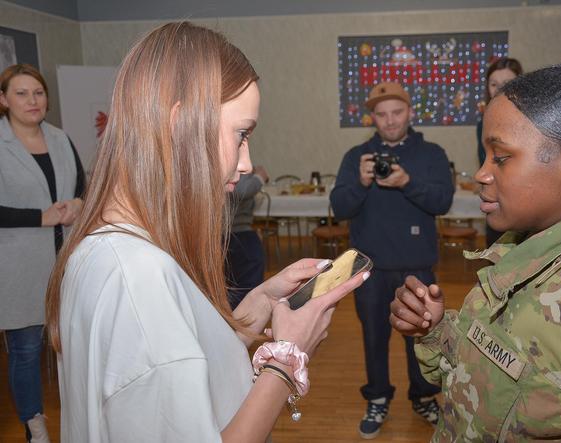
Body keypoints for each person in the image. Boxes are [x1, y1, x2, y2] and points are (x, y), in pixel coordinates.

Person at [45, 22, 368, 443]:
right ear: (180, 125)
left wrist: (259, 303)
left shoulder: (109, 246)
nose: (247, 162)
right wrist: (287, 359)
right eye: (242, 134)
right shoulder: (140, 277)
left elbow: (179, 362)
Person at [390, 60, 561, 441]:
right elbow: (500, 371)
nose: (483, 174)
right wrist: (435, 330)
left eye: (500, 158)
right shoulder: (523, 250)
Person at [330, 81, 455, 439]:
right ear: (372, 118)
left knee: (419, 337)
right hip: (368, 268)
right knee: (373, 337)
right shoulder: (357, 156)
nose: (389, 121)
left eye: (396, 112)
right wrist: (361, 181)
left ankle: (423, 395)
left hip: (416, 266)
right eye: (381, 114)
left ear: (409, 112)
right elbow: (340, 208)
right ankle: (378, 397)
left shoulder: (430, 153)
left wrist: (407, 182)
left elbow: (442, 201)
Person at [0, 63, 85, 443]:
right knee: (26, 349)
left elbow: (82, 186)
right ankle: (35, 425)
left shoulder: (61, 138)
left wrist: (80, 203)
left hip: (66, 261)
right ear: (3, 100)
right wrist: (41, 216)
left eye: (38, 92)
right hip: (18, 266)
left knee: (74, 343)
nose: (32, 101)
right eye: (21, 93)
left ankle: (82, 417)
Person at [476, 57, 523, 247]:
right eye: (493, 84)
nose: (498, 90)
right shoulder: (484, 124)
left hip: (526, 205)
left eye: (506, 83)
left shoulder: (532, 122)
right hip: (497, 203)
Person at [226, 165, 269, 310]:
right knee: (247, 288)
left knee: (233, 284)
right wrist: (259, 178)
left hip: (231, 233)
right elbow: (241, 191)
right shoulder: (231, 164)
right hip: (236, 234)